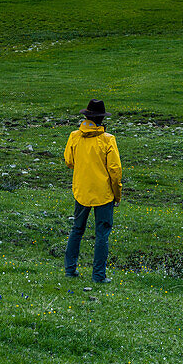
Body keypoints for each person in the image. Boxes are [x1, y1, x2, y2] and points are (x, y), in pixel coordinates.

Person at [63, 98, 122, 283]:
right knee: (102, 235)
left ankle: (70, 270)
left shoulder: (74, 136)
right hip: (103, 193)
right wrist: (117, 193)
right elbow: (115, 171)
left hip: (81, 191)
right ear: (102, 120)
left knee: (77, 230)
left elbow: (68, 161)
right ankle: (98, 276)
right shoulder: (108, 140)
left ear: (86, 117)